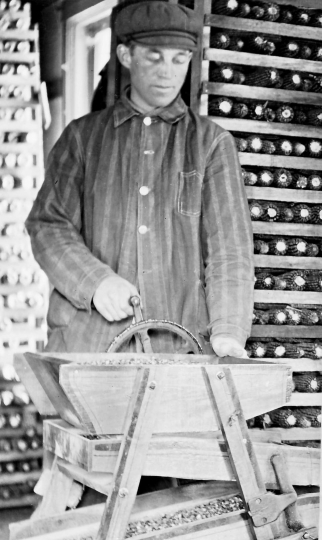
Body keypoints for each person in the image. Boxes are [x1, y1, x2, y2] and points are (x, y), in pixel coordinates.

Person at [26, 1, 254, 359]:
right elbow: (47, 224)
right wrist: (95, 281)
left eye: (179, 59)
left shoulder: (211, 143)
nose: (167, 71)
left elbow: (229, 251)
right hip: (88, 350)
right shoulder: (82, 138)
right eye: (154, 56)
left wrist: (228, 332)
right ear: (125, 55)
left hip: (177, 353)